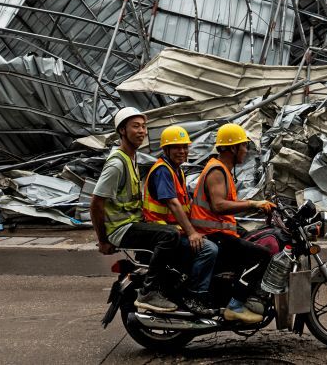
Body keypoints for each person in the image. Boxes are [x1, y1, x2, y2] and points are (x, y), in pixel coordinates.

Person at [89, 107, 180, 313]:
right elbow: (96, 203)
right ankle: (149, 292)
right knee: (170, 236)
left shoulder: (133, 157)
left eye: (144, 126)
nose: (142, 131)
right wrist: (103, 240)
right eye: (135, 126)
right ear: (122, 130)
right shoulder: (117, 164)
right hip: (121, 229)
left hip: (133, 223)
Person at [189, 123, 275, 324]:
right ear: (231, 148)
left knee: (253, 243)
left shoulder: (224, 170)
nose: (245, 150)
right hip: (212, 234)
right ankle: (236, 305)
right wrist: (254, 204)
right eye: (243, 146)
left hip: (218, 232)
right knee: (262, 255)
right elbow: (219, 206)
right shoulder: (217, 171)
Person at [142, 125, 218, 316]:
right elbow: (174, 204)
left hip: (175, 229)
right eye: (177, 147)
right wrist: (192, 233)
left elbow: (186, 205)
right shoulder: (163, 171)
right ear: (166, 149)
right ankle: (194, 295)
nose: (182, 151)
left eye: (185, 147)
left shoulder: (177, 171)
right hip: (164, 232)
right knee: (209, 249)